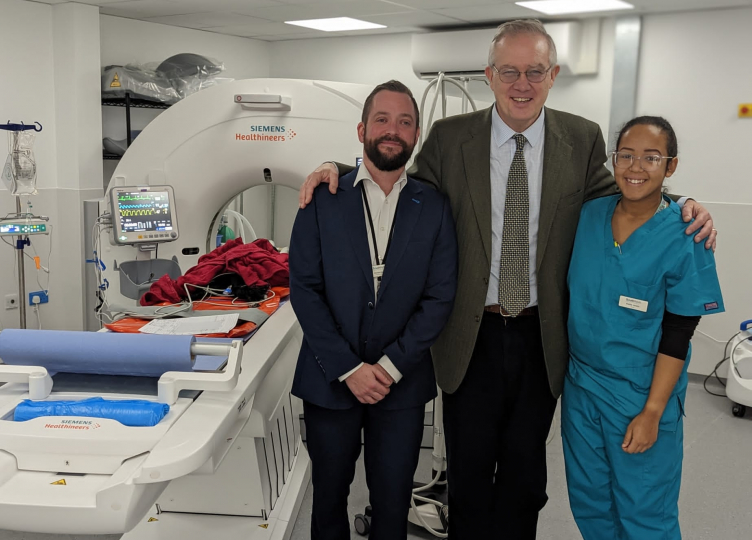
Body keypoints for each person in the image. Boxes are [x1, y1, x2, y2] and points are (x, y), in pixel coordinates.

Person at [297, 20, 718, 540]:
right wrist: (336, 166)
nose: (522, 83)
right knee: (469, 474)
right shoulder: (451, 139)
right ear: (489, 75)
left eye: (535, 71)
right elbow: (395, 176)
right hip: (468, 333)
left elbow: (630, 193)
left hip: (542, 336)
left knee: (525, 477)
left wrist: (683, 204)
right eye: (510, 71)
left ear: (553, 75)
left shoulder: (581, 138)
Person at [289, 80, 458, 540]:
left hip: (399, 384)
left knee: (392, 501)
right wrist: (348, 368)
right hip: (330, 379)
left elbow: (439, 297)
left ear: (416, 135)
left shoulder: (435, 206)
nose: (392, 130)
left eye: (405, 122)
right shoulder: (322, 198)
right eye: (382, 119)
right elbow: (304, 289)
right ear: (362, 128)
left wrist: (387, 366)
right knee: (327, 499)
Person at [562, 117, 724, 539]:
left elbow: (678, 333)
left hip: (640, 394)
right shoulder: (588, 215)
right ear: (613, 161)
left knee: (645, 515)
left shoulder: (686, 233)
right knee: (591, 505)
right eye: (626, 155)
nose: (636, 167)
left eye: (651, 157)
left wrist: (652, 412)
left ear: (670, 167)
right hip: (582, 389)